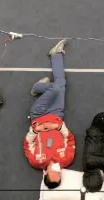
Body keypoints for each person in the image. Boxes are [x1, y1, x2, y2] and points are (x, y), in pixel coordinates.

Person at [23, 39, 75, 189]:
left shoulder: (36, 161)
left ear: (45, 174)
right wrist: (57, 127)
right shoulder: (67, 159)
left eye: (55, 174)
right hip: (57, 115)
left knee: (57, 89)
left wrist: (35, 130)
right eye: (59, 175)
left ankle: (39, 87)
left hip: (38, 116)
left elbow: (27, 143)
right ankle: (56, 55)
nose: (58, 171)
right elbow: (70, 139)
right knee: (61, 83)